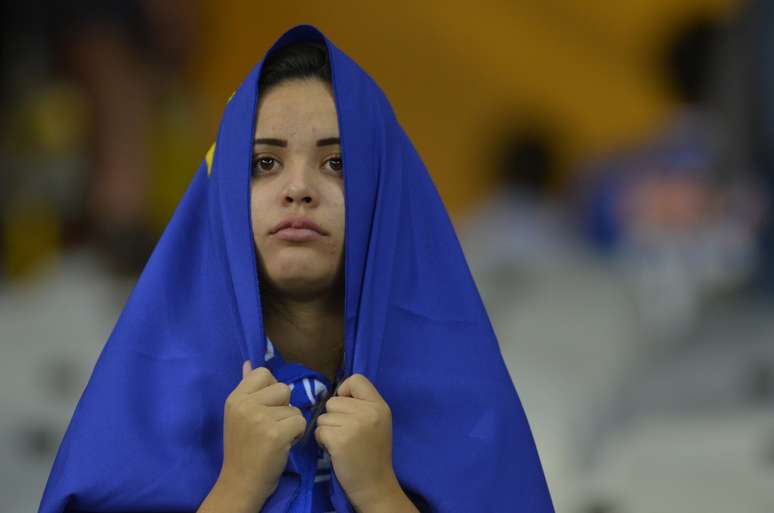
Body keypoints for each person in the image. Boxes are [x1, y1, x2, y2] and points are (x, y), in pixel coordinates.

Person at [37, 25, 554, 513]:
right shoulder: (147, 395)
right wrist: (236, 488)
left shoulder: (462, 395)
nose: (299, 188)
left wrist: (380, 493)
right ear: (224, 196)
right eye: (265, 163)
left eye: (337, 163)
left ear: (385, 193)